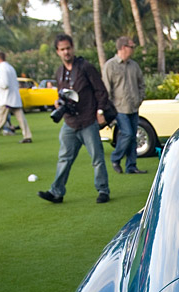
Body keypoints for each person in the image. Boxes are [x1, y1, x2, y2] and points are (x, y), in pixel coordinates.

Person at [38, 34, 111, 204]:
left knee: (97, 159)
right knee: (64, 158)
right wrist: (58, 102)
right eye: (62, 49)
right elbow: (61, 94)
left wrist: (100, 111)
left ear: (73, 48)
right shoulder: (59, 72)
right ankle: (56, 192)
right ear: (57, 52)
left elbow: (101, 91)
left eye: (68, 48)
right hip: (69, 122)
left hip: (88, 120)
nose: (66, 52)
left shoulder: (85, 67)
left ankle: (103, 190)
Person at [102, 36, 146, 174]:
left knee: (133, 136)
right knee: (126, 134)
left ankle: (131, 166)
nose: (133, 50)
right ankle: (116, 158)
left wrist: (139, 98)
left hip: (133, 106)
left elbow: (141, 84)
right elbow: (106, 88)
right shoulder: (110, 65)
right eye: (131, 47)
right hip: (118, 108)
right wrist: (106, 109)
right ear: (122, 48)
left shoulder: (134, 65)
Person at [0, 50, 32, 143]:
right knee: (21, 119)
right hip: (14, 97)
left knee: (2, 119)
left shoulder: (2, 68)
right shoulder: (10, 67)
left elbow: (4, 84)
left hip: (6, 98)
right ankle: (27, 136)